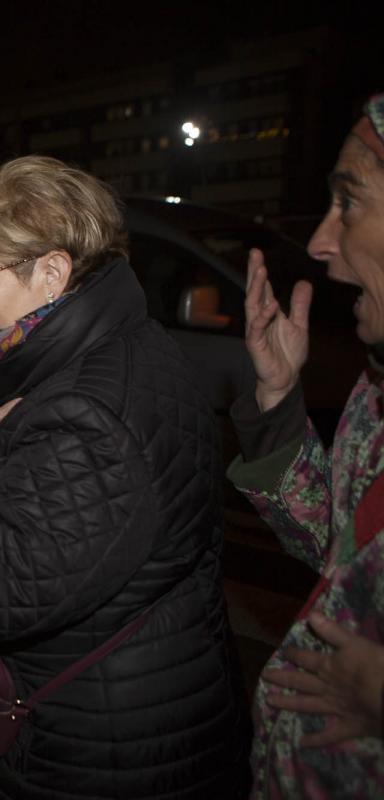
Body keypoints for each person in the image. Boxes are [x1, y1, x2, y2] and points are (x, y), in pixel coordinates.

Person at [0, 155, 250, 798]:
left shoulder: (87, 413)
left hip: (101, 755)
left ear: (52, 273)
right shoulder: (126, 343)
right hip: (145, 719)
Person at [228, 93, 384, 796]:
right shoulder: (374, 395)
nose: (321, 241)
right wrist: (278, 398)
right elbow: (334, 543)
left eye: (348, 203)